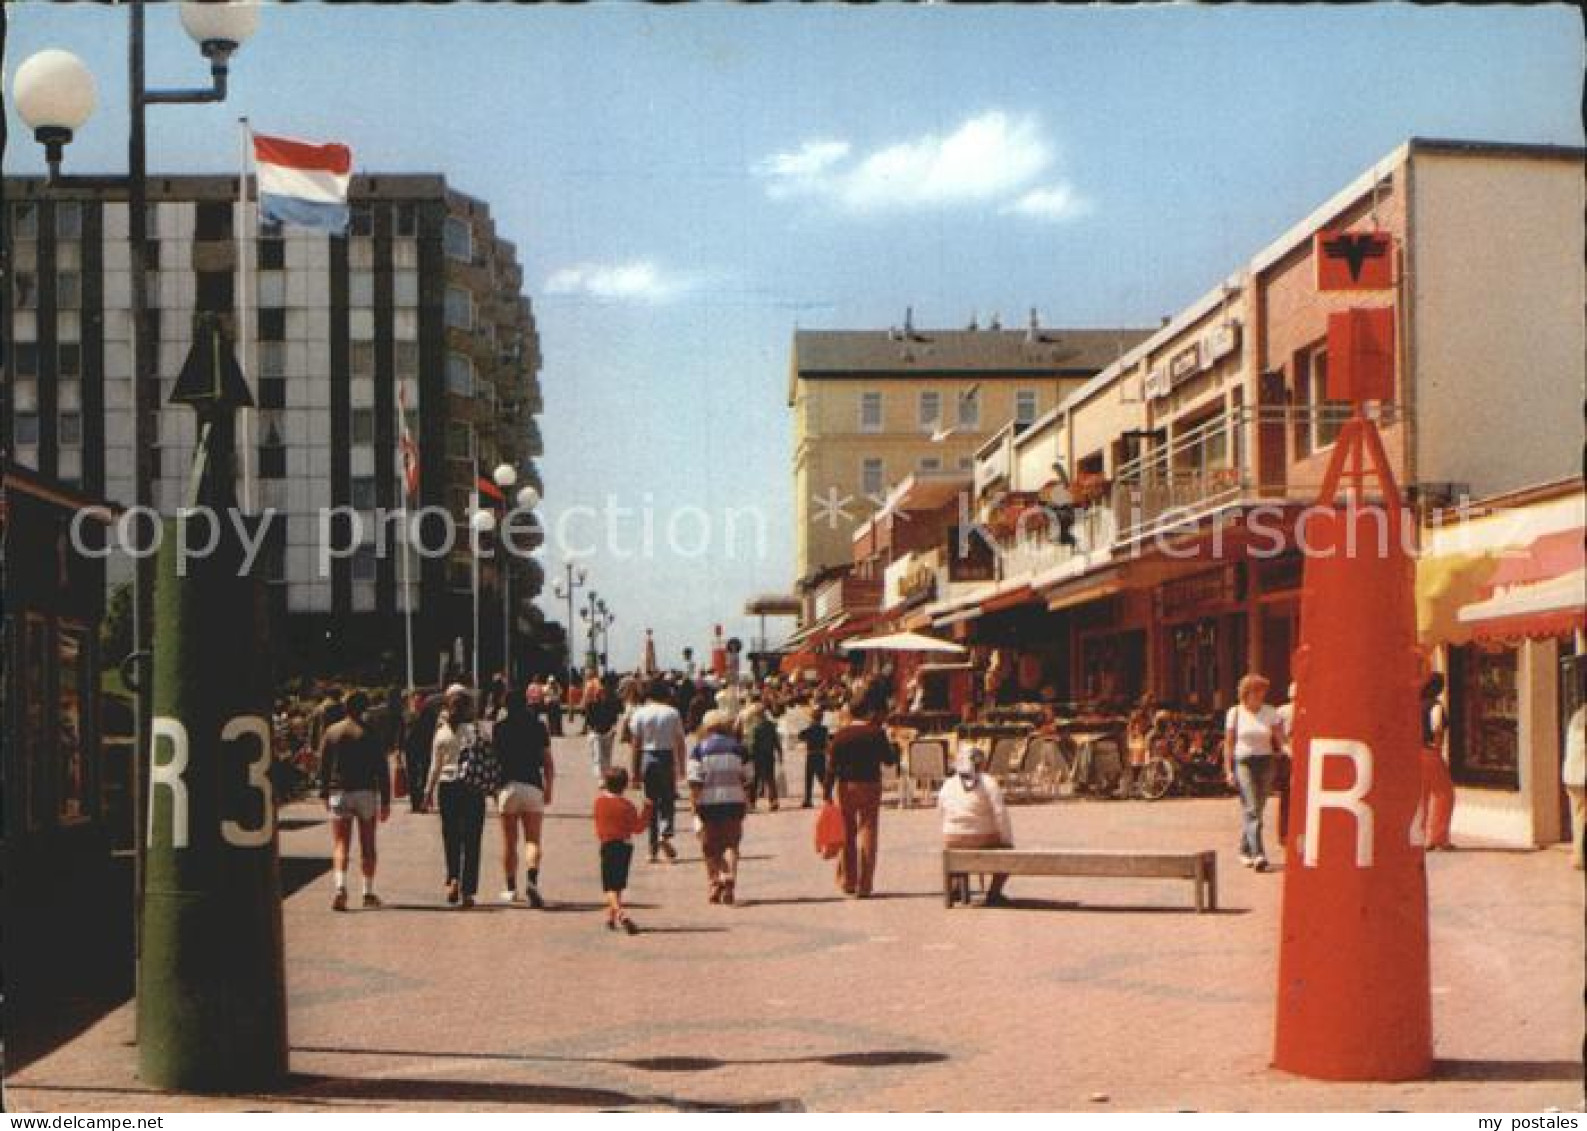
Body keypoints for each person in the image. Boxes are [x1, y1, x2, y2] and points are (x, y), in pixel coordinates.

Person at [318, 691, 392, 910]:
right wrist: (386, 801)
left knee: (341, 843)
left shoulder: (332, 732)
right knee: (368, 845)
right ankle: (367, 892)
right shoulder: (371, 733)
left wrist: (324, 792)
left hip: (339, 792)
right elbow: (382, 769)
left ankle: (340, 888)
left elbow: (323, 767)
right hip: (366, 793)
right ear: (365, 708)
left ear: (345, 708)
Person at [823, 687, 899, 898]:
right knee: (868, 830)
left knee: (847, 833)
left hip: (846, 786)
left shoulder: (840, 735)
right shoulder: (876, 733)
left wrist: (827, 791)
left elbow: (831, 766)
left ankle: (849, 880)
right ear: (868, 712)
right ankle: (865, 884)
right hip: (870, 784)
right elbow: (889, 760)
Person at [425, 685, 486, 908]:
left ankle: (452, 878)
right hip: (471, 788)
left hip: (447, 787)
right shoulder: (475, 731)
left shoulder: (441, 733)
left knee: (450, 836)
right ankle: (468, 891)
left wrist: (427, 792)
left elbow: (434, 766)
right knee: (472, 839)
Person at [687, 710, 754, 904]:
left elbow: (694, 781)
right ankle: (730, 879)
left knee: (709, 846)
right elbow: (748, 778)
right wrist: (747, 801)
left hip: (709, 803)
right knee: (732, 844)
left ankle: (715, 884)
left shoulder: (699, 749)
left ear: (707, 727)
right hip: (734, 802)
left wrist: (694, 803)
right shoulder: (740, 749)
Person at [495, 690, 554, 906]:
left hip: (507, 786)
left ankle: (511, 889)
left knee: (509, 842)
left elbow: (495, 760)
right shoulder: (538, 726)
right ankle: (532, 880)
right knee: (533, 840)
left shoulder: (499, 728)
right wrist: (549, 788)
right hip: (532, 786)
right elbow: (547, 761)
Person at [1223, 673, 1285, 872]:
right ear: (1247, 693)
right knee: (1251, 808)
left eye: (1263, 693)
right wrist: (1228, 770)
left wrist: (1289, 751)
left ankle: (1244, 849)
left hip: (1265, 762)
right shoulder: (1235, 712)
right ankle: (1259, 854)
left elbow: (1280, 738)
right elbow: (1229, 744)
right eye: (1258, 692)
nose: (1261, 697)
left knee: (1257, 808)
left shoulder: (1270, 712)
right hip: (1244, 762)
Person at [938, 747, 1014, 906]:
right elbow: (1000, 814)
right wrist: (1007, 840)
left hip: (951, 837)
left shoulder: (948, 783)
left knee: (958, 848)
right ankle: (994, 893)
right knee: (1009, 853)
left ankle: (957, 886)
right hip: (980, 836)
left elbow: (941, 810)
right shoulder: (988, 782)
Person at [628, 677, 688, 863]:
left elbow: (635, 744)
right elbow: (680, 742)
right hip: (666, 756)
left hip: (647, 756)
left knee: (650, 803)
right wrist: (682, 767)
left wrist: (635, 773)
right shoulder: (672, 713)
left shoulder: (640, 713)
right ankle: (665, 832)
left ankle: (652, 850)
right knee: (667, 800)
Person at [593, 767, 652, 933]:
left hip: (608, 844)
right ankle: (610, 917)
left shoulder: (599, 803)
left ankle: (620, 913)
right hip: (625, 846)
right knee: (618, 884)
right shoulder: (628, 805)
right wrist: (647, 811)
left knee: (609, 887)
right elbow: (638, 827)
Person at [1420, 673, 1456, 851]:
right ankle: (1438, 838)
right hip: (1429, 752)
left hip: (1414, 752)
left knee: (1423, 794)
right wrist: (1438, 745)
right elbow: (1437, 727)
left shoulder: (1415, 704)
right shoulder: (1436, 706)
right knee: (1444, 793)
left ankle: (1422, 835)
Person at [744, 702, 782, 811]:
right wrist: (780, 753)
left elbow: (753, 744)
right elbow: (776, 741)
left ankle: (752, 803)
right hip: (769, 755)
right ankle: (773, 801)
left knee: (755, 780)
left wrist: (749, 755)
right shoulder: (771, 725)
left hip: (758, 757)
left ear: (757, 715)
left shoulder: (755, 728)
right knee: (770, 779)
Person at [1564, 682, 1585, 871]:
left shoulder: (1577, 716)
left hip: (1572, 775)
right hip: (1582, 775)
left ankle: (1579, 855)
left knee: (1579, 818)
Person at [583, 680, 621, 780]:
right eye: (598, 692)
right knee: (598, 756)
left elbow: (614, 719)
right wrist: (593, 729)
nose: (600, 694)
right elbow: (588, 720)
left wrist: (612, 730)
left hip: (608, 733)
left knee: (607, 756)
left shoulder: (611, 705)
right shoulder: (591, 705)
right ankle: (600, 778)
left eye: (602, 692)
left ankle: (608, 776)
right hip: (596, 733)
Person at [798, 706, 832, 808]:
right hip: (821, 754)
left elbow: (800, 736)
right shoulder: (824, 729)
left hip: (811, 755)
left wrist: (810, 725)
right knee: (822, 778)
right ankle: (828, 797)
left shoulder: (809, 729)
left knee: (809, 779)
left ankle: (808, 800)